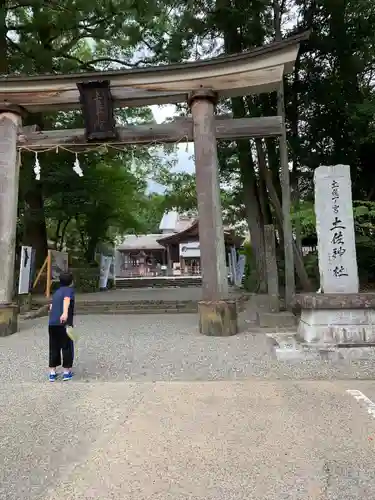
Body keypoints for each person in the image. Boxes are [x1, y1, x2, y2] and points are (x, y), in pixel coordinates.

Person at [48, 272, 75, 382]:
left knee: (54, 347)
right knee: (67, 346)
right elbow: (67, 299)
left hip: (52, 324)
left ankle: (52, 372)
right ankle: (66, 372)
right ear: (71, 282)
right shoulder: (69, 290)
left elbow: (51, 307)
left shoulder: (56, 292)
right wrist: (65, 313)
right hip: (64, 324)